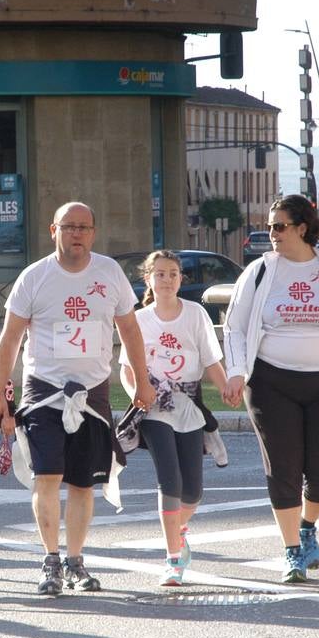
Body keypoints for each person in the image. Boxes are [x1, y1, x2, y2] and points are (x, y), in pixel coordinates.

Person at [0, 202, 156, 597]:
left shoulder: (109, 272)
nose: (76, 234)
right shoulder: (34, 277)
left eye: (83, 227)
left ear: (93, 233)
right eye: (68, 227)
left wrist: (143, 382)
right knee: (46, 476)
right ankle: (50, 559)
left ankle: (75, 559)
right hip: (44, 390)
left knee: (83, 483)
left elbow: (130, 332)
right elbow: (10, 338)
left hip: (93, 392)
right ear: (53, 231)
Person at [222, 194, 319, 583]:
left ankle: (308, 527)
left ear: (302, 228)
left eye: (278, 226)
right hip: (271, 382)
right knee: (283, 468)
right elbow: (235, 326)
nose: (270, 233)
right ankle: (292, 551)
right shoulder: (258, 272)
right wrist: (237, 372)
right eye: (271, 226)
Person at [119, 250, 231, 586]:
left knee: (193, 492)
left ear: (181, 279)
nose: (167, 280)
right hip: (154, 407)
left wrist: (227, 388)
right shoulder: (138, 319)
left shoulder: (196, 314)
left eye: (173, 273)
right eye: (160, 274)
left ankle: (179, 530)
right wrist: (138, 394)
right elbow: (126, 368)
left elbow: (211, 361)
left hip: (188, 406)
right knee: (169, 479)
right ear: (148, 279)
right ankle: (172, 559)